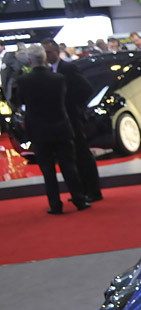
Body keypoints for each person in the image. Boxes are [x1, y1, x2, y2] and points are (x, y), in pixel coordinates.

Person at [14, 45, 89, 214]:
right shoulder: (59, 79)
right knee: (69, 166)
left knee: (47, 170)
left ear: (30, 60)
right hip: (61, 126)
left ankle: (55, 205)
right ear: (44, 58)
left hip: (39, 130)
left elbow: (19, 101)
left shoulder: (23, 81)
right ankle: (79, 200)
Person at [42, 39, 102, 202]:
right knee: (71, 158)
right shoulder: (47, 71)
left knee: (82, 154)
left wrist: (73, 105)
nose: (47, 56)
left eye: (49, 52)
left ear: (56, 51)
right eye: (45, 53)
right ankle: (81, 191)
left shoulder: (68, 68)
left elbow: (86, 89)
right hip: (60, 121)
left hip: (72, 118)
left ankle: (94, 191)